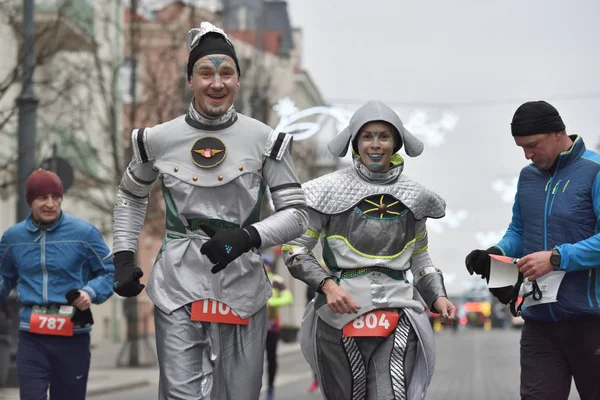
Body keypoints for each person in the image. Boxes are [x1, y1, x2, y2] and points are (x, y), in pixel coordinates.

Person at [111, 22, 308, 400]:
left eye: (226, 72)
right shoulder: (157, 139)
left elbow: (297, 214)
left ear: (237, 80)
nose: (216, 83)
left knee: (239, 394)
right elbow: (129, 196)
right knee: (181, 395)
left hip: (244, 284)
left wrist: (248, 237)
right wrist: (122, 256)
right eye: (205, 72)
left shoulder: (266, 140)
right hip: (177, 284)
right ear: (190, 79)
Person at [283, 100, 457, 400]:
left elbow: (420, 258)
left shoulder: (415, 197)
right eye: (367, 136)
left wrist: (437, 296)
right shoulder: (326, 191)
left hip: (398, 311)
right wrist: (327, 286)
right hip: (336, 316)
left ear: (396, 143)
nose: (375, 145)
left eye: (384, 136)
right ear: (355, 142)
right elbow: (295, 249)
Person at [465, 100, 600, 400]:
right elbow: (519, 231)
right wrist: (495, 252)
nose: (528, 155)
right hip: (540, 323)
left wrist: (557, 257)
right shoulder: (528, 177)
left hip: (591, 323)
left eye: (533, 145)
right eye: (521, 148)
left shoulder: (595, 171)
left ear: (558, 133)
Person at [0, 169, 114, 399]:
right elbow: (4, 278)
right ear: (30, 201)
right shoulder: (13, 238)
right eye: (42, 198)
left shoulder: (84, 233)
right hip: (31, 336)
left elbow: (111, 274)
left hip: (73, 335)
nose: (51, 204)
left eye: (56, 197)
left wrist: (90, 292)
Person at [262, 253, 293, 400]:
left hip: (272, 327)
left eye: (265, 263)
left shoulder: (276, 280)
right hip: (254, 329)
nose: (264, 266)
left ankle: (270, 387)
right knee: (253, 362)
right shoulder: (250, 279)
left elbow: (288, 298)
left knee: (272, 359)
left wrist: (271, 303)